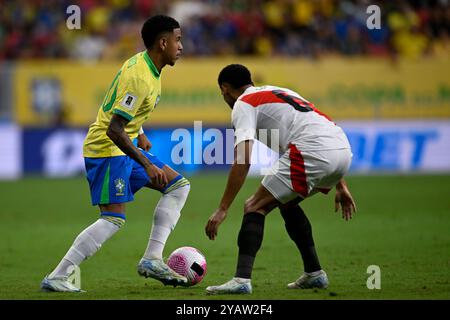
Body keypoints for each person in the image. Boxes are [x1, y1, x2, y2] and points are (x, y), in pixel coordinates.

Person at [41, 15, 190, 292]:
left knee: (178, 186)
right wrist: (146, 164)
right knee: (113, 218)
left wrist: (141, 131)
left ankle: (152, 259)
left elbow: (127, 115)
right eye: (178, 40)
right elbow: (114, 129)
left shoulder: (147, 66)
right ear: (163, 42)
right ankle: (58, 276)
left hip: (123, 145)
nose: (181, 46)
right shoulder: (141, 77)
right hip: (107, 150)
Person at [205, 64, 356, 294]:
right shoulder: (279, 92)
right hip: (342, 149)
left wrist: (222, 208)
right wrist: (340, 183)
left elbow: (243, 159)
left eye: (222, 92)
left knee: (254, 206)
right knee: (286, 202)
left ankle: (241, 280)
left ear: (225, 89)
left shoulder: (243, 104)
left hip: (312, 149)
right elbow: (317, 126)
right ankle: (314, 273)